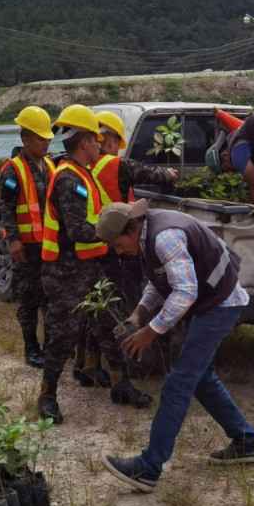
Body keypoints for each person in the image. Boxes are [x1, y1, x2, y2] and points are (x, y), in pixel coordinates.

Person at [97, 200, 254, 492]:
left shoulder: (165, 237)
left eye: (118, 244)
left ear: (131, 230)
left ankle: (148, 468)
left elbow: (185, 291)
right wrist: (139, 314)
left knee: (179, 383)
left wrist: (150, 331)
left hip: (221, 303)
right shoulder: (147, 235)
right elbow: (160, 280)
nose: (117, 251)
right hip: (211, 301)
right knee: (200, 378)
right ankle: (247, 442)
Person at [38, 105, 151, 424]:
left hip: (91, 267)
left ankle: (121, 385)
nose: (99, 145)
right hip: (66, 272)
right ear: (85, 141)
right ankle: (47, 396)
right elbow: (77, 230)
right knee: (62, 336)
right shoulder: (68, 179)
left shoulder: (82, 174)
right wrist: (115, 233)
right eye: (95, 140)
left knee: (111, 323)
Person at [69, 110, 179, 388]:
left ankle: (88, 364)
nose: (115, 148)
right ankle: (134, 362)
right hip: (118, 247)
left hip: (97, 249)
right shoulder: (116, 165)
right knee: (125, 305)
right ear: (110, 139)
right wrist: (169, 173)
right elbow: (150, 173)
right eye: (116, 142)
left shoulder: (85, 168)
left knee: (96, 308)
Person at [0, 106, 55, 369]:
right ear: (26, 139)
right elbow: (6, 208)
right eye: (41, 138)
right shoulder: (13, 170)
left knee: (49, 296)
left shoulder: (49, 165)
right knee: (29, 298)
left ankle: (51, 347)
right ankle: (31, 348)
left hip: (48, 245)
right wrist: (13, 240)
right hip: (26, 248)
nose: (46, 143)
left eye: (47, 138)